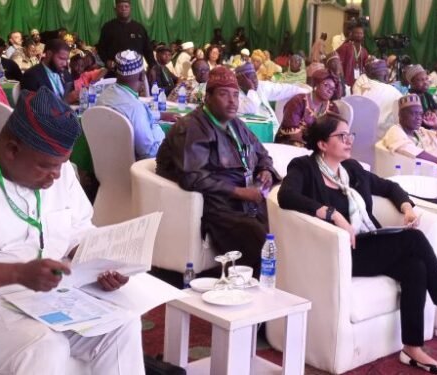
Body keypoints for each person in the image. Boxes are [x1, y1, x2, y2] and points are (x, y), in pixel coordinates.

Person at [278, 112, 437, 374]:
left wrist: (407, 208)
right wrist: (332, 214)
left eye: (351, 135)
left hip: (366, 243)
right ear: (323, 144)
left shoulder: (352, 170)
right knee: (413, 239)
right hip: (335, 250)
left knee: (415, 266)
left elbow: (390, 188)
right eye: (341, 136)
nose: (349, 141)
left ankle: (412, 349)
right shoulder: (304, 168)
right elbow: (286, 197)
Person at [0, 87, 144, 374]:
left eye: (61, 165)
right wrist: (18, 274)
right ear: (11, 149)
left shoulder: (61, 172)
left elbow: (79, 230)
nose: (56, 176)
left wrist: (101, 263)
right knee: (45, 345)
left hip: (52, 296)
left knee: (123, 323)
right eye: (46, 166)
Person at [155, 67, 279, 275]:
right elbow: (192, 178)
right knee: (261, 242)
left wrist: (265, 169)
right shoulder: (191, 127)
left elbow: (262, 153)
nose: (232, 101)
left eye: (235, 95)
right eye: (223, 94)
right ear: (208, 97)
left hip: (249, 202)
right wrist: (240, 192)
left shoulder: (236, 124)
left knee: (286, 226)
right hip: (219, 207)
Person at [96, 50, 177, 160]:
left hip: (105, 165)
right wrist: (159, 130)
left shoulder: (104, 96)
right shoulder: (135, 107)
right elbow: (150, 153)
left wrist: (161, 115)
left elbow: (128, 115)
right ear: (141, 76)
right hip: (136, 170)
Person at [235, 62, 310, 131]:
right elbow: (250, 109)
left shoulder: (261, 86)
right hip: (254, 133)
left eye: (255, 77)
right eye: (250, 79)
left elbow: (283, 89)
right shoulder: (234, 93)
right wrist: (251, 89)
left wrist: (308, 92)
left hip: (272, 130)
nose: (254, 80)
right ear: (239, 80)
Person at [276, 68, 338, 147]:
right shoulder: (298, 101)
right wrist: (314, 147)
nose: (329, 91)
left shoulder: (332, 108)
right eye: (326, 85)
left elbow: (334, 132)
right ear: (316, 84)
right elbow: (292, 132)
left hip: (318, 146)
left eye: (332, 89)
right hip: (290, 142)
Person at [97, 0, 156, 71]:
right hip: (114, 71)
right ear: (115, 10)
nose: (123, 9)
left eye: (126, 6)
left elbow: (148, 50)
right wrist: (106, 61)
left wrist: (152, 66)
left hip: (136, 72)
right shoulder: (108, 27)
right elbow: (101, 48)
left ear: (131, 9)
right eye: (120, 7)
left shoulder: (139, 28)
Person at [352, 59, 402, 139]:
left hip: (360, 137)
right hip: (385, 140)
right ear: (386, 76)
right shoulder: (395, 92)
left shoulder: (362, 87)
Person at [21, 39, 77, 104]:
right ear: (49, 54)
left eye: (66, 59)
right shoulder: (31, 76)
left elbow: (72, 98)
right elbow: (34, 107)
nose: (65, 64)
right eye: (61, 59)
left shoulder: (66, 73)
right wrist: (65, 101)